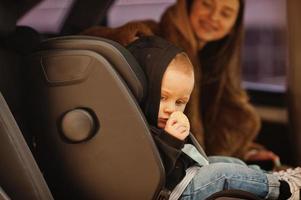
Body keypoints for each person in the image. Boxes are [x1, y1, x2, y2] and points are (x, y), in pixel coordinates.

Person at [81, 0, 279, 164]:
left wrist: (246, 151)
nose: (214, 17)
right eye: (207, 4)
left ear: (232, 27)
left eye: (226, 13)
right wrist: (124, 39)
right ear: (189, 5)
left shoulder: (216, 64)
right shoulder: (150, 38)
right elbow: (89, 43)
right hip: (153, 159)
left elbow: (216, 124)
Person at [126, 36, 300, 200]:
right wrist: (170, 141)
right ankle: (285, 190)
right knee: (222, 173)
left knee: (228, 161)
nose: (171, 109)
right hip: (172, 193)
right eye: (162, 97)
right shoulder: (134, 128)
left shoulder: (154, 121)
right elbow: (150, 173)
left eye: (180, 102)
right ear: (143, 90)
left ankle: (268, 178)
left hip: (184, 178)